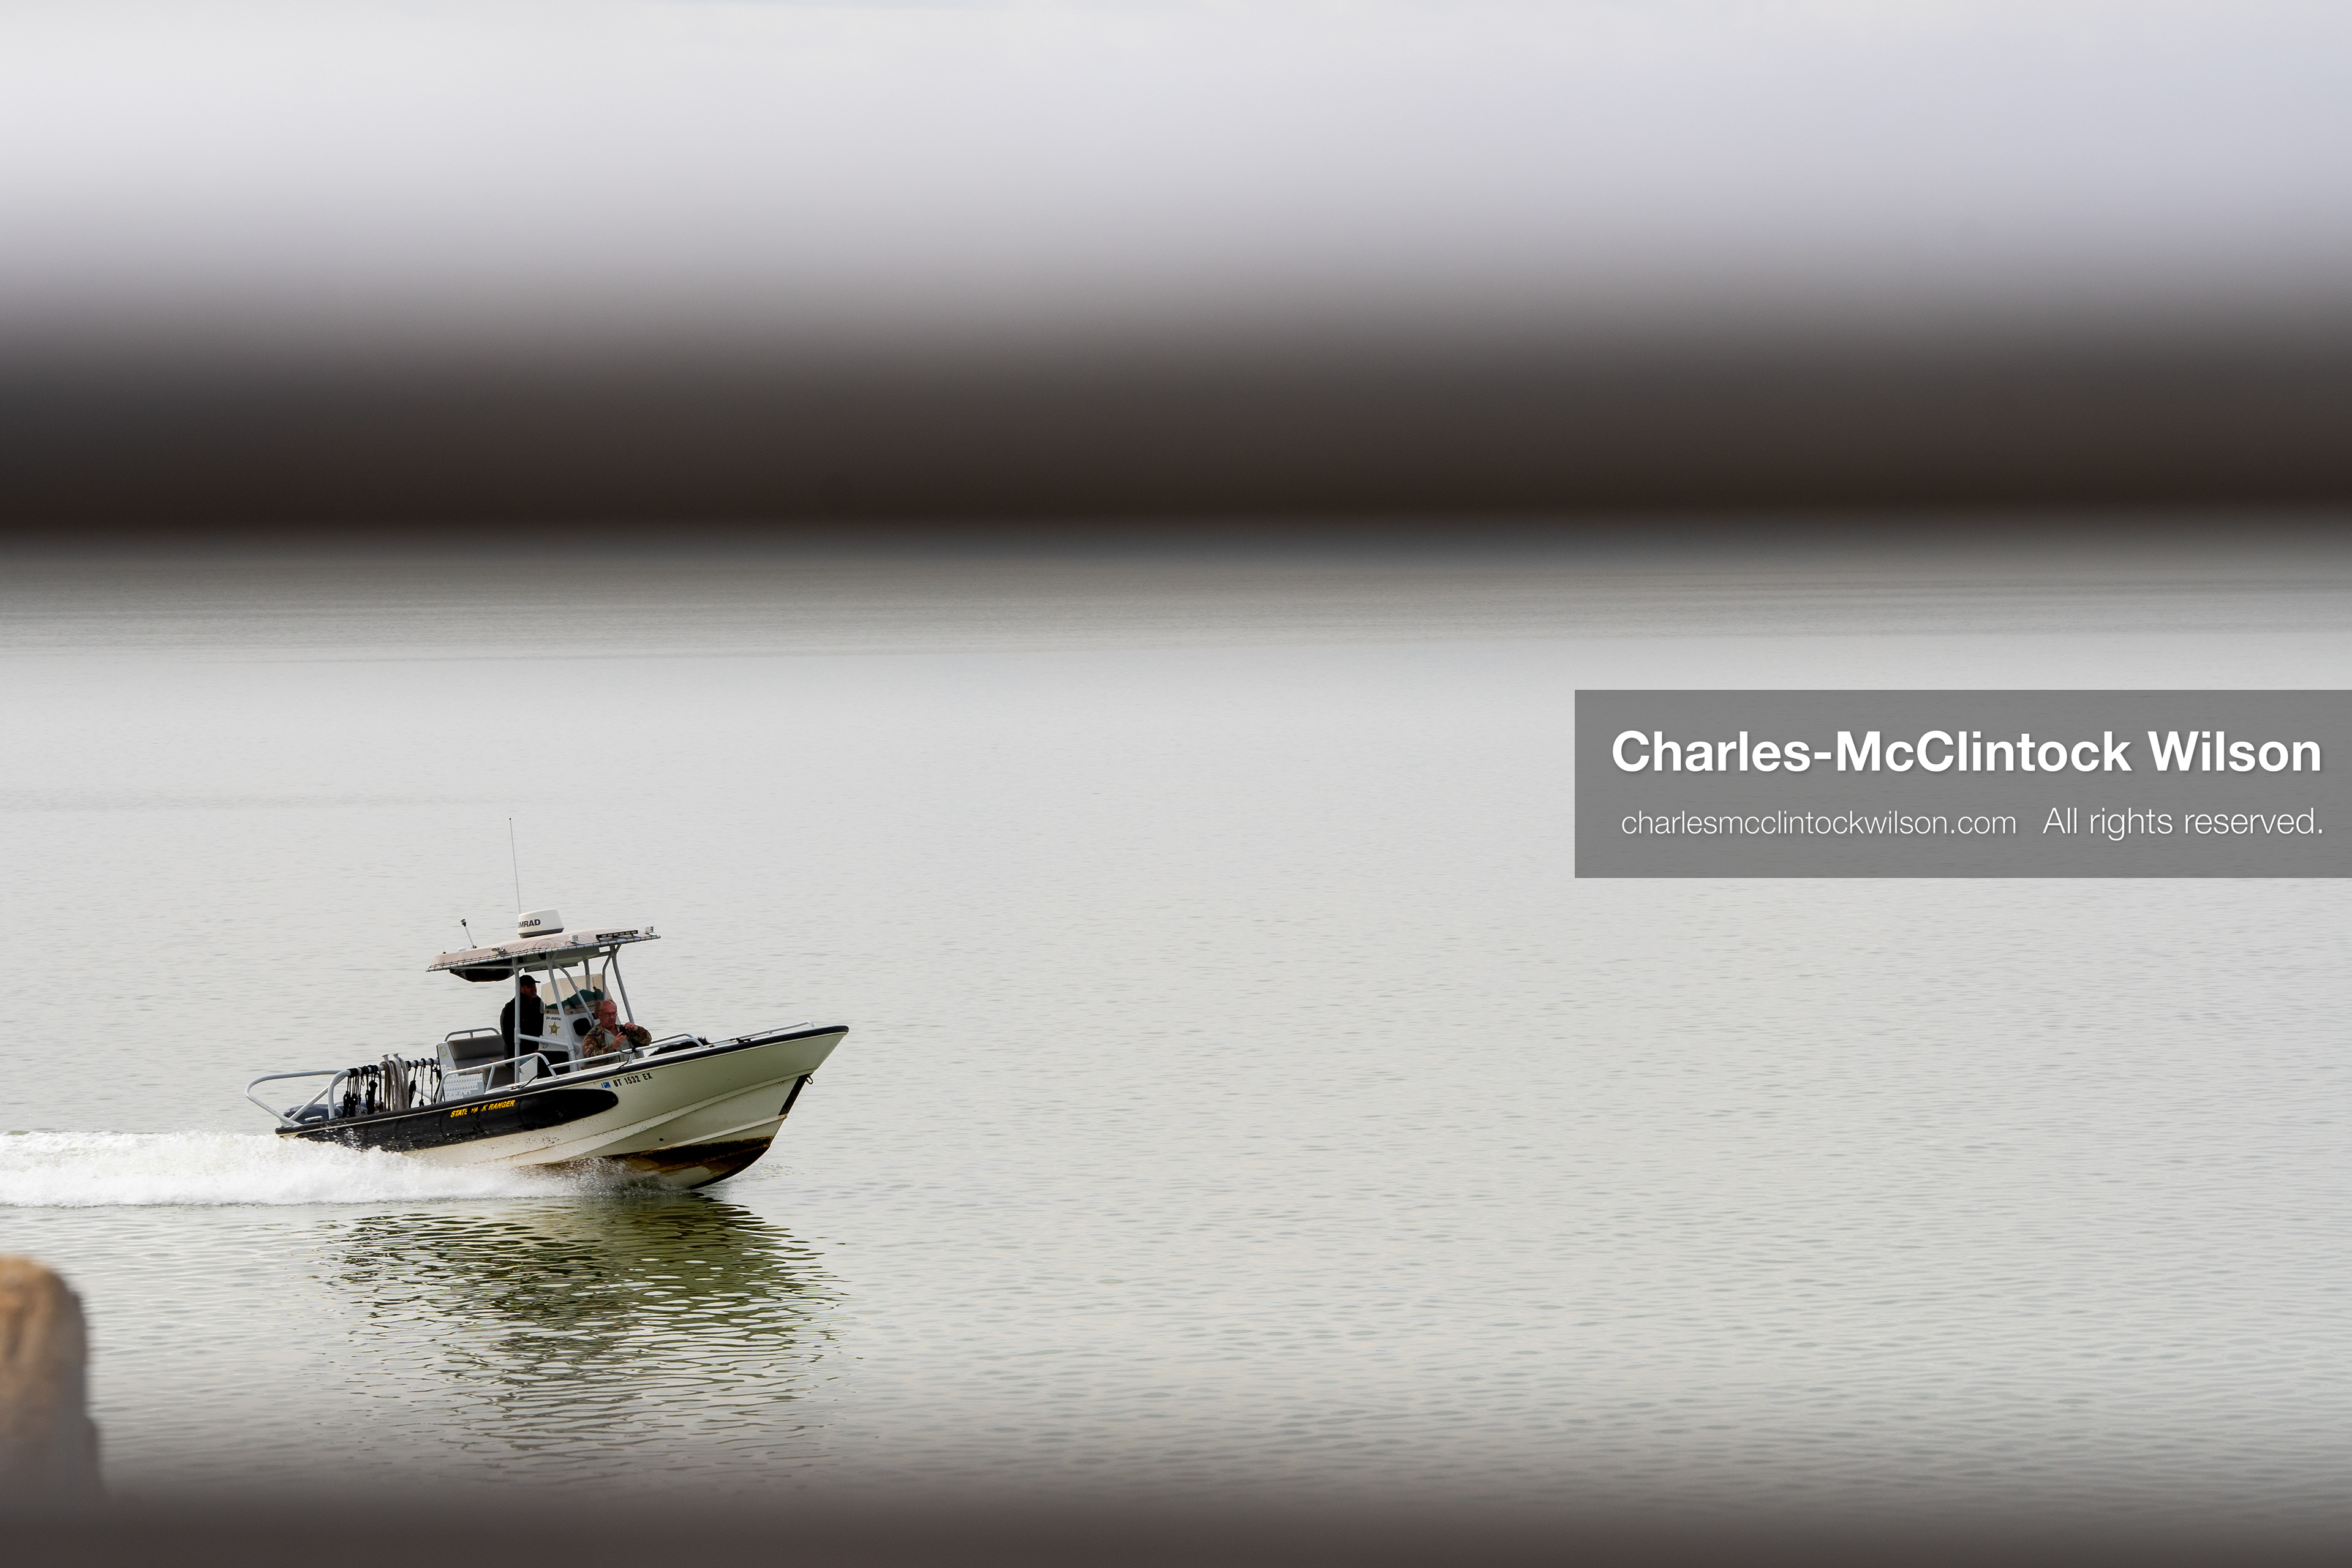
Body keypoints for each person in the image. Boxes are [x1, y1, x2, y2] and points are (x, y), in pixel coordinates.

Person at [578, 998, 652, 1058]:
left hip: (633, 1067)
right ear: (600, 1015)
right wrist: (613, 1047)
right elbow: (592, 1057)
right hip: (613, 1072)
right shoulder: (593, 1035)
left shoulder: (625, 1029)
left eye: (614, 1013)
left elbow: (647, 1041)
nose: (612, 1017)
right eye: (608, 1014)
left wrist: (636, 1030)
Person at [498, 974, 544, 1056]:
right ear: (520, 989)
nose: (534, 989)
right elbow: (509, 1039)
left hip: (541, 1049)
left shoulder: (539, 1004)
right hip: (518, 1055)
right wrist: (531, 1050)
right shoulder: (511, 1009)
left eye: (534, 986)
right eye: (530, 987)